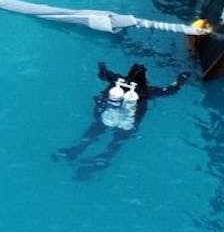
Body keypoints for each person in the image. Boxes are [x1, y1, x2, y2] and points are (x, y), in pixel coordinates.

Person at [53, 62, 191, 178]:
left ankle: (72, 152)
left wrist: (102, 66)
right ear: (145, 78)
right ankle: (100, 162)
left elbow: (103, 74)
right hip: (128, 122)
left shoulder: (116, 80)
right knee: (115, 144)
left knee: (92, 134)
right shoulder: (148, 90)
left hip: (106, 116)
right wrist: (181, 79)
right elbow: (170, 90)